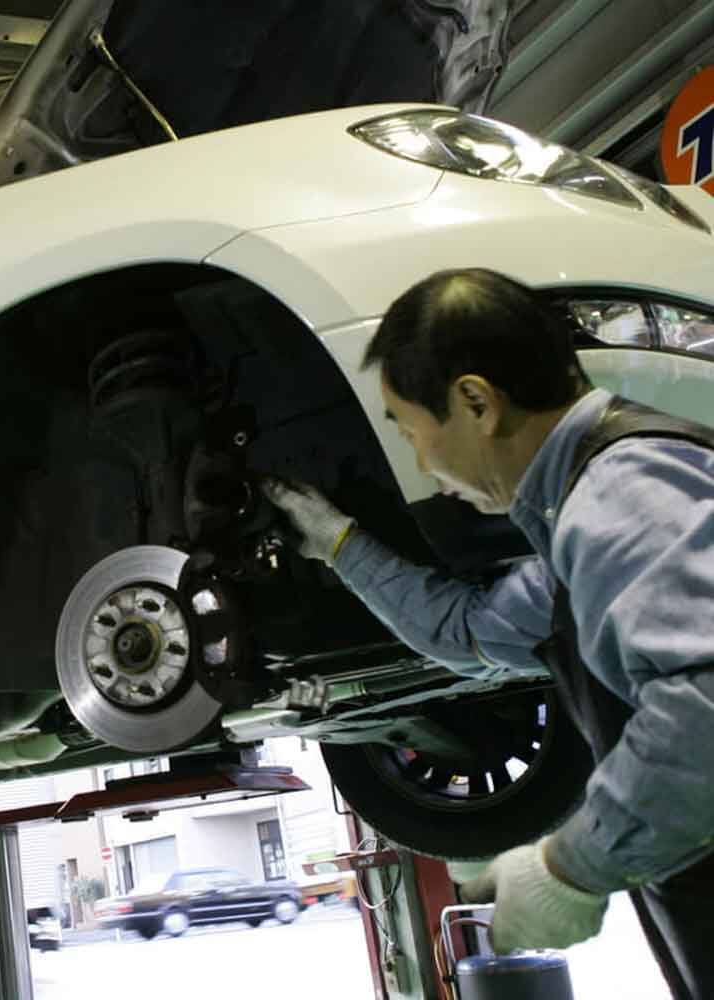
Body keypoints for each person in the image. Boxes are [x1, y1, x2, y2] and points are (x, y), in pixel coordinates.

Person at [263, 268, 714, 999]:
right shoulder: (580, 520)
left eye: (411, 430)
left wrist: (569, 870)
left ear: (476, 402)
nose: (420, 464)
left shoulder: (624, 490)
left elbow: (706, 713)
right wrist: (338, 542)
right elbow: (469, 633)